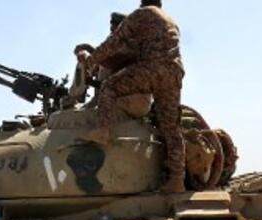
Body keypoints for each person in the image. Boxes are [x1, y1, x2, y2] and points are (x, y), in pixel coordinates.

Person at [77, 0, 185, 193]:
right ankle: (177, 180)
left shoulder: (141, 14)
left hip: (153, 68)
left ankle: (103, 130)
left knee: (109, 87)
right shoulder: (170, 20)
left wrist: (91, 61)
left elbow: (114, 43)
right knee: (170, 127)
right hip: (174, 73)